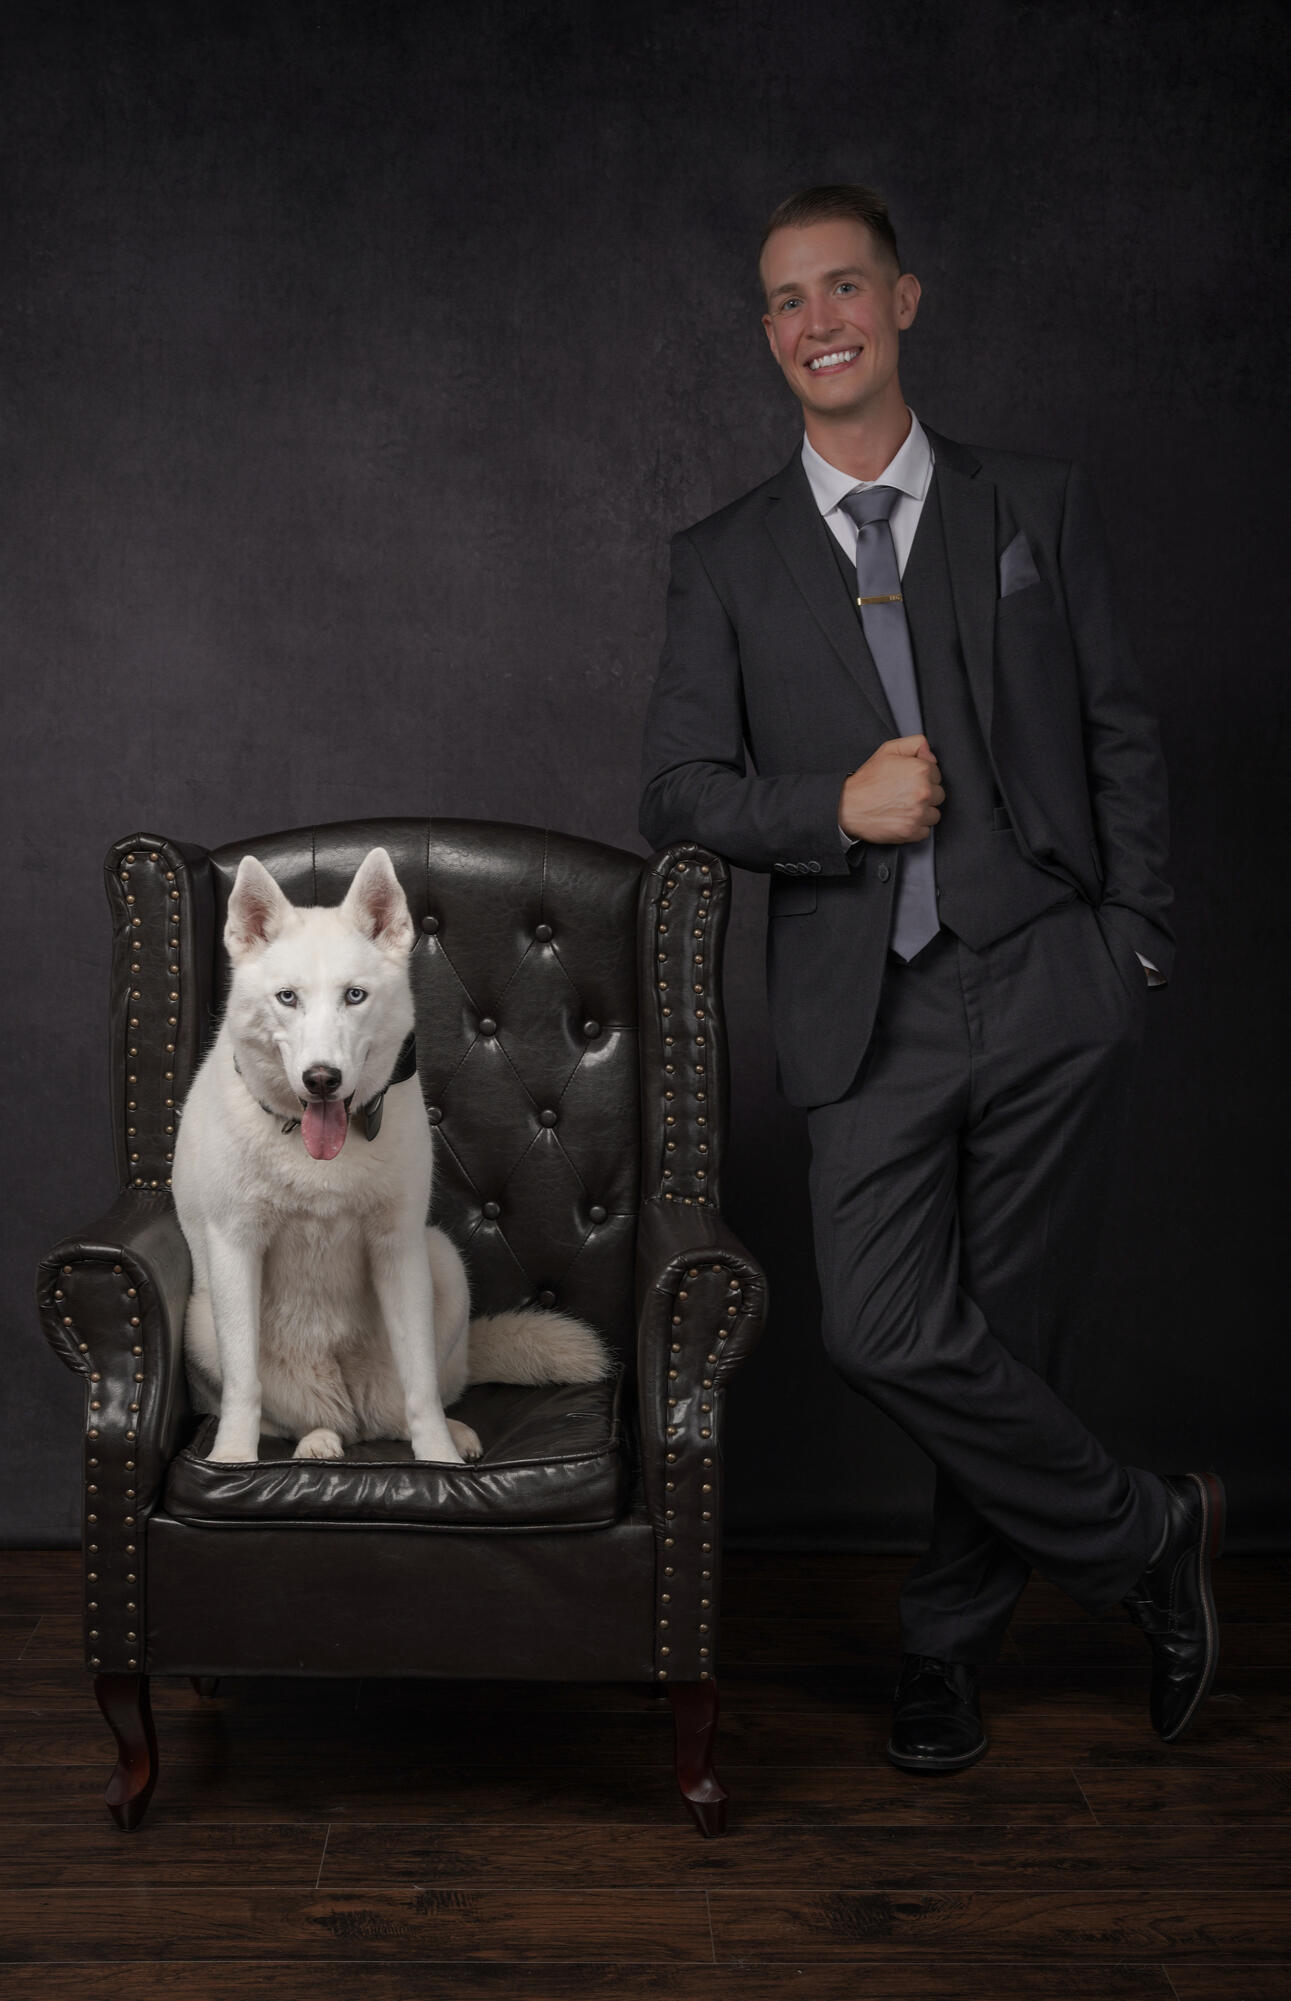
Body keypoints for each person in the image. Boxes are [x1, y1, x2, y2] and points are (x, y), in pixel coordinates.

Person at [638, 183, 1223, 1772]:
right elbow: (679, 790)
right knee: (889, 1327)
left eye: (844, 286)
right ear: (768, 336)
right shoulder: (726, 559)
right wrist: (831, 807)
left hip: (1048, 975)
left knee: (1009, 1342)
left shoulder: (1032, 501)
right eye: (785, 300)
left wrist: (1133, 942)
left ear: (906, 301)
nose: (818, 320)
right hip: (864, 1006)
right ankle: (1147, 1533)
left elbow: (1118, 729)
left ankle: (948, 1651)